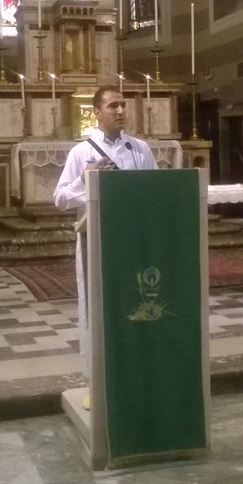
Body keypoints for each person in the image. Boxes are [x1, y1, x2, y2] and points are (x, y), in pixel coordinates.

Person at [53, 85, 157, 381]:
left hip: (135, 239)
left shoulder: (140, 149)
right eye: (113, 106)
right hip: (98, 239)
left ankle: (136, 370)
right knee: (99, 306)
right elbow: (60, 199)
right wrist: (86, 179)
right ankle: (99, 378)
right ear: (97, 112)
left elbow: (154, 190)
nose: (121, 110)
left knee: (136, 303)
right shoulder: (81, 152)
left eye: (123, 104)